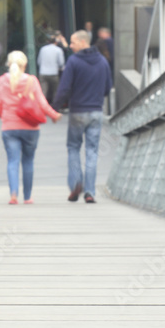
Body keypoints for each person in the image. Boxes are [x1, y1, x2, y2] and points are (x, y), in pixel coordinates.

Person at [0, 51, 61, 205]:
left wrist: (4, 118)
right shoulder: (31, 81)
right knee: (28, 161)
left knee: (12, 161)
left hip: (9, 127)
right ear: (25, 65)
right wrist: (54, 115)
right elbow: (42, 103)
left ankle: (13, 194)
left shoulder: (1, 81)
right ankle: (28, 197)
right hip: (31, 128)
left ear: (9, 65)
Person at [53, 30, 112, 204]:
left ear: (82, 42)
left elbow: (64, 88)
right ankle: (90, 192)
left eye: (72, 42)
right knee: (92, 151)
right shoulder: (102, 62)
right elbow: (108, 88)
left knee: (73, 147)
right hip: (96, 112)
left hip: (77, 111)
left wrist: (54, 108)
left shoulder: (74, 62)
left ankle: (75, 184)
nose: (70, 46)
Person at [36, 33, 65, 106]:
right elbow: (61, 63)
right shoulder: (58, 50)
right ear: (56, 42)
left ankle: (42, 107)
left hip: (43, 73)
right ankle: (55, 107)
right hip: (54, 73)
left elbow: (39, 61)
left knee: (43, 91)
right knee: (55, 91)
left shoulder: (43, 49)